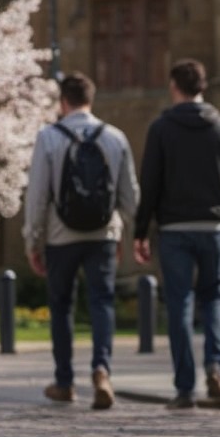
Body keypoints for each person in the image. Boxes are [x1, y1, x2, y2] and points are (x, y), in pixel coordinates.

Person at [133, 59, 220, 409]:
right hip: (213, 227)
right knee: (214, 298)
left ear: (175, 87)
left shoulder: (161, 129)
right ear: (204, 87)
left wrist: (141, 232)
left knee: (180, 303)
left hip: (174, 230)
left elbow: (150, 184)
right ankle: (215, 366)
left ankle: (185, 388)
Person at [23, 72, 139, 409]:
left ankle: (64, 382)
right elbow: (130, 195)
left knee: (62, 307)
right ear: (91, 98)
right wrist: (127, 231)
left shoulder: (48, 136)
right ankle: (102, 370)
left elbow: (37, 195)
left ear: (63, 101)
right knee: (102, 302)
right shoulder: (115, 137)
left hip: (61, 238)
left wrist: (33, 240)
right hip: (103, 235)